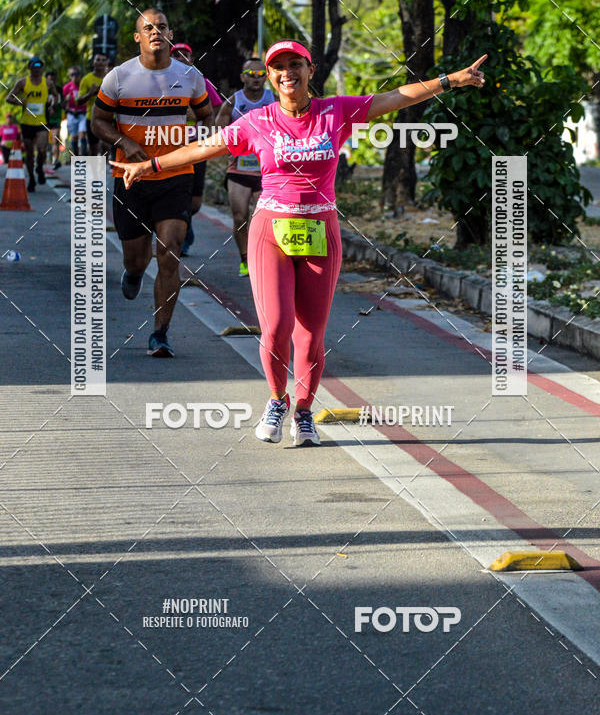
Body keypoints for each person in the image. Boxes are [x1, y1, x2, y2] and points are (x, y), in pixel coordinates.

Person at [114, 39, 487, 444]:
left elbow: (396, 97)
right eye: (279, 67)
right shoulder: (257, 121)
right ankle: (277, 401)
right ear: (271, 77)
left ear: (310, 72)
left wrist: (452, 80)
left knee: (311, 334)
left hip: (321, 231)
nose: (286, 73)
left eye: (296, 65)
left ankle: (304, 412)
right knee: (276, 328)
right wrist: (150, 166)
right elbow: (204, 148)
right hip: (270, 232)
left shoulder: (337, 112)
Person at [93, 8, 212, 357]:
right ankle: (132, 273)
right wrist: (125, 143)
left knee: (170, 253)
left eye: (162, 26)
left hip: (175, 176)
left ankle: (160, 332)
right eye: (148, 28)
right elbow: (99, 120)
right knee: (137, 258)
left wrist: (193, 144)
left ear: (170, 33)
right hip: (130, 178)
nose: (156, 32)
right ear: (137, 37)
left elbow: (205, 117)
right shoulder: (118, 77)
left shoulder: (190, 77)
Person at [216, 58, 274, 276]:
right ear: (242, 77)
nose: (256, 78)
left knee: (264, 218)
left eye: (261, 75)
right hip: (238, 170)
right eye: (251, 73)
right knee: (240, 217)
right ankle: (245, 259)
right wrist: (233, 148)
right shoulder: (233, 102)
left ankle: (265, 258)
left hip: (266, 173)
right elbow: (219, 133)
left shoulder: (274, 100)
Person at [170, 42, 223, 255]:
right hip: (172, 147)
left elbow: (218, 106)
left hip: (198, 145)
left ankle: (186, 225)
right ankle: (178, 237)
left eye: (185, 55)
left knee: (195, 202)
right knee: (176, 192)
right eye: (176, 56)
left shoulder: (202, 82)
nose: (181, 59)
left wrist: (208, 132)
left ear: (191, 60)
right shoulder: (163, 84)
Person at [6, 56, 58, 191]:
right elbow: (9, 97)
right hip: (26, 123)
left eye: (39, 67)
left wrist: (52, 105)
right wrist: (19, 102)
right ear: (29, 68)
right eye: (34, 67)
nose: (37, 70)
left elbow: (56, 96)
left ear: (42, 69)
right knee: (29, 153)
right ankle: (32, 179)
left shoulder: (48, 83)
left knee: (41, 150)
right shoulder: (22, 82)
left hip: (41, 122)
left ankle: (39, 168)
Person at [77, 52, 109, 155]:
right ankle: (95, 170)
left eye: (103, 60)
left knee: (106, 145)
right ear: (93, 62)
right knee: (93, 148)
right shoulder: (86, 79)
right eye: (98, 60)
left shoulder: (112, 77)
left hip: (108, 118)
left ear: (107, 63)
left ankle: (102, 168)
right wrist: (90, 93)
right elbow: (79, 101)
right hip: (92, 117)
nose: (100, 62)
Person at [63, 66, 88, 156]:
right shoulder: (66, 88)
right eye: (72, 75)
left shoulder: (84, 85)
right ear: (70, 76)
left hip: (83, 114)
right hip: (72, 114)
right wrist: (66, 100)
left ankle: (84, 156)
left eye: (76, 74)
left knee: (82, 134)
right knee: (74, 137)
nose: (74, 77)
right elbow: (62, 105)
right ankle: (76, 157)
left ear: (80, 75)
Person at [46, 70, 63, 169]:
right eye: (50, 80)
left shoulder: (59, 90)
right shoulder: (43, 89)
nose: (52, 82)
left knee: (55, 139)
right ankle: (41, 162)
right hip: (44, 118)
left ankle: (56, 160)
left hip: (56, 118)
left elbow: (63, 103)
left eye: (53, 79)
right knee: (43, 142)